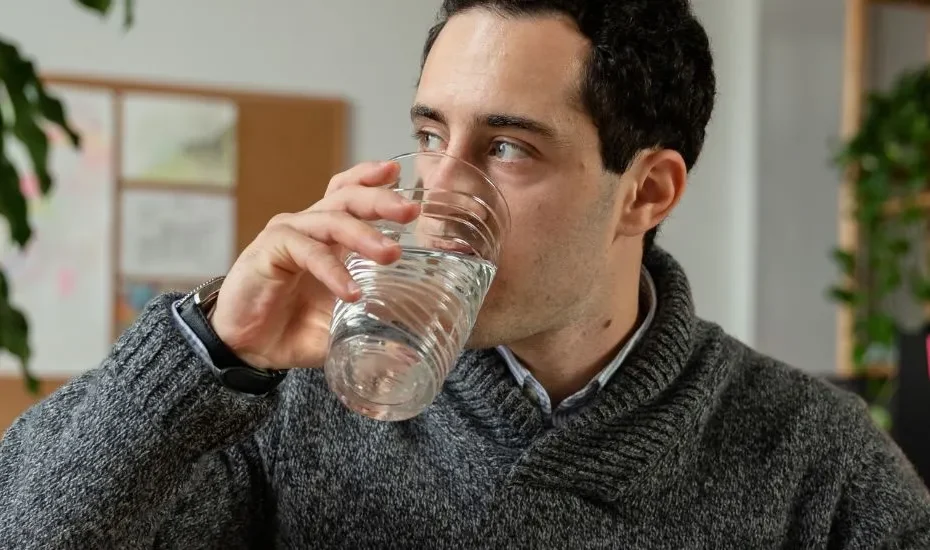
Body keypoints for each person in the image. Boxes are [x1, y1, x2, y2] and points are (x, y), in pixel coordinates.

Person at [2, 0, 929, 547]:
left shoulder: (816, 460)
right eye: (428, 134)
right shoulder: (287, 407)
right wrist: (208, 348)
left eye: (507, 147)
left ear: (646, 192)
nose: (437, 195)